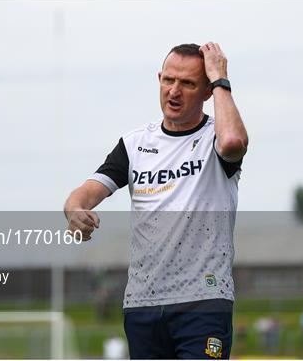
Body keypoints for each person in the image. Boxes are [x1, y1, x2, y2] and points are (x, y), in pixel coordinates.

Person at [64, 42, 248, 359]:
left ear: (206, 92)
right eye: (168, 80)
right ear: (159, 79)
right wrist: (74, 211)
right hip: (142, 305)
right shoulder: (135, 143)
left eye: (188, 83)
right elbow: (86, 192)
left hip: (202, 301)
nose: (174, 91)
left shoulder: (215, 137)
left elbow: (234, 142)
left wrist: (220, 79)